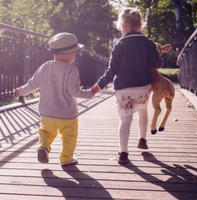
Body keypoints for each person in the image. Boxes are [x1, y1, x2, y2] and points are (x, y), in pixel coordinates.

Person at [92, 7, 162, 164]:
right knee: (142, 111)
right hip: (144, 88)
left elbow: (111, 71)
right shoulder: (148, 43)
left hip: (124, 90)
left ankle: (123, 153)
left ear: (123, 25)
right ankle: (142, 139)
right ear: (140, 24)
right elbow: (157, 64)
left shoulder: (120, 45)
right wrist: (158, 54)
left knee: (125, 120)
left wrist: (98, 86)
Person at [15, 32, 94, 166]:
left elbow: (32, 84)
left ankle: (43, 147)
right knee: (69, 137)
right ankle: (66, 158)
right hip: (67, 115)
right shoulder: (71, 70)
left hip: (46, 112)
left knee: (46, 132)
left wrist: (20, 91)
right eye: (74, 53)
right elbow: (73, 91)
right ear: (69, 54)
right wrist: (90, 93)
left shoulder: (45, 67)